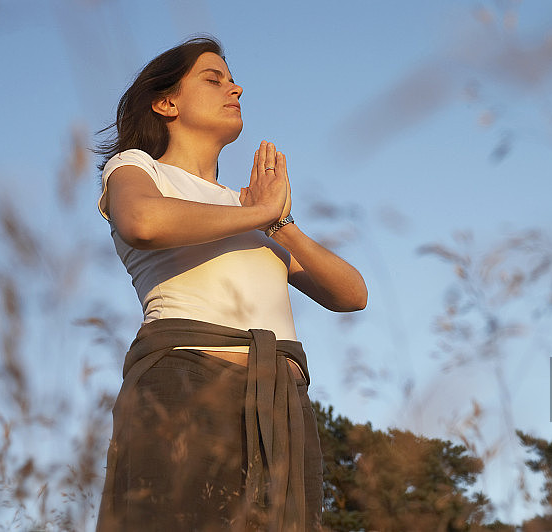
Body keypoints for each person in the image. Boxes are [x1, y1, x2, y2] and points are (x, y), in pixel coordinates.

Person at [93, 36, 367, 531]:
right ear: (167, 103)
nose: (235, 89)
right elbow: (143, 222)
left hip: (282, 404)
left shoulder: (250, 212)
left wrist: (280, 223)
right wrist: (259, 213)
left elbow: (352, 295)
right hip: (186, 382)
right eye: (213, 79)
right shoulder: (137, 169)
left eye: (233, 80)